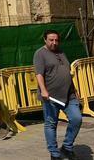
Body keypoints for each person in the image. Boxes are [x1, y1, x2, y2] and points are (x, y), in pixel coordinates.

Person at [35, 29, 82, 160]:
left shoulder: (61, 52)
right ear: (45, 40)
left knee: (76, 118)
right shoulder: (40, 54)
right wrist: (43, 90)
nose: (54, 43)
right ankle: (54, 153)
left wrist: (75, 90)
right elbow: (39, 74)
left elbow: (66, 72)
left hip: (69, 95)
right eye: (51, 40)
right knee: (51, 123)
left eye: (56, 40)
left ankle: (67, 146)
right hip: (51, 96)